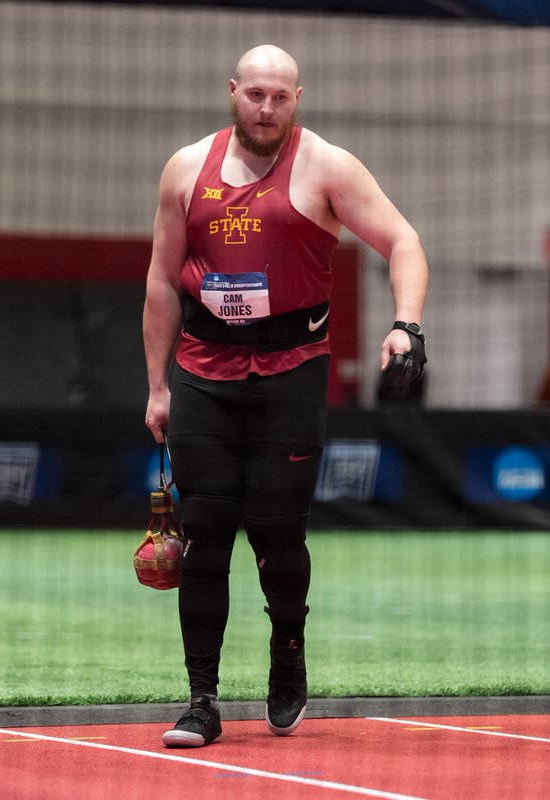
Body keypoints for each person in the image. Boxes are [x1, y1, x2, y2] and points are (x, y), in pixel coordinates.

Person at [142, 44, 428, 748]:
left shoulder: (327, 165)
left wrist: (405, 327)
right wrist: (156, 386)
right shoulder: (186, 169)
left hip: (292, 371)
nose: (265, 107)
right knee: (204, 536)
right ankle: (201, 700)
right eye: (254, 94)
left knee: (277, 534)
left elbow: (404, 242)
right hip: (203, 373)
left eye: (279, 96)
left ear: (298, 99)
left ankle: (288, 650)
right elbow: (159, 281)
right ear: (232, 92)